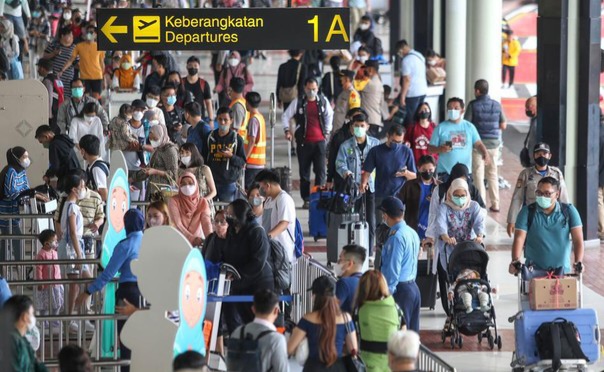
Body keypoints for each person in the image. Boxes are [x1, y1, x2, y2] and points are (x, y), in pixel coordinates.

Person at [76, 209, 146, 371]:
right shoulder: (149, 242)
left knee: (127, 340)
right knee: (143, 337)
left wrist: (88, 292)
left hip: (128, 293)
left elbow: (108, 274)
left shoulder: (125, 245)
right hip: (146, 293)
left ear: (126, 224)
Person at [509, 177, 584, 275]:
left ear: (557, 194)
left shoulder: (569, 211)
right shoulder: (527, 212)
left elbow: (578, 240)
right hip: (533, 273)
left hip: (562, 272)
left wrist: (578, 262)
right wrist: (515, 261)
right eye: (539, 193)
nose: (542, 196)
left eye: (547, 194)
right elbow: (519, 238)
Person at [433, 178, 485, 316]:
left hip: (470, 248)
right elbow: (440, 224)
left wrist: (479, 236)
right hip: (451, 249)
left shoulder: (473, 206)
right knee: (452, 276)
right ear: (450, 194)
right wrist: (445, 237)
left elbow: (479, 221)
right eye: (456, 195)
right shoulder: (444, 207)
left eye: (463, 195)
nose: (460, 199)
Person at [222, 199, 274, 332]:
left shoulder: (256, 232)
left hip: (258, 283)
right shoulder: (232, 231)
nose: (227, 217)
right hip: (240, 283)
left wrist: (238, 275)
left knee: (259, 322)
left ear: (240, 215)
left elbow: (258, 262)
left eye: (230, 214)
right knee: (244, 320)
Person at [287, 276, 358, 371]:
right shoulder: (346, 318)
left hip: (313, 368)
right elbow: (353, 349)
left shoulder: (307, 319)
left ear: (315, 296)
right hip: (338, 367)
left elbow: (289, 349)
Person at [283, 77, 333, 208]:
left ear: (317, 89)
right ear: (305, 88)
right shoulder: (298, 102)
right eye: (309, 89)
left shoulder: (322, 101)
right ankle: (306, 199)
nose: (311, 91)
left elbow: (329, 116)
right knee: (304, 173)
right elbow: (285, 116)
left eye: (314, 89)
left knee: (321, 172)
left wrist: (327, 132)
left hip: (320, 143)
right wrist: (287, 130)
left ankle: (318, 197)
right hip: (304, 143)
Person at [506, 143, 569, 237]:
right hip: (533, 215)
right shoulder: (526, 174)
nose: (541, 156)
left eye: (544, 154)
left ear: (549, 156)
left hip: (552, 216)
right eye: (538, 154)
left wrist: (567, 217)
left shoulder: (556, 173)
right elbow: (517, 197)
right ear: (533, 156)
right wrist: (512, 220)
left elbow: (563, 196)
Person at [336, 115, 379, 250]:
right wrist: (346, 173)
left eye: (362, 125)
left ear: (367, 127)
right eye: (356, 126)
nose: (359, 128)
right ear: (351, 128)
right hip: (353, 189)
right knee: (354, 219)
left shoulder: (375, 144)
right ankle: (355, 248)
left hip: (370, 187)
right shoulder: (345, 146)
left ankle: (369, 250)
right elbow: (339, 163)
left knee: (371, 220)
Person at [378, 197, 420, 332]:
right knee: (412, 336)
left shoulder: (396, 237)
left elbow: (392, 268)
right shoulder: (412, 232)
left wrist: (386, 292)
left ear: (385, 215)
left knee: (400, 335)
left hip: (400, 291)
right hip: (413, 287)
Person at [464, 79, 507, 212]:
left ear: (477, 91)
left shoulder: (473, 105)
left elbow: (467, 125)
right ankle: (496, 204)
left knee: (478, 175)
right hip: (494, 145)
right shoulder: (496, 105)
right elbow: (503, 125)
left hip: (478, 146)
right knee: (492, 174)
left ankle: (481, 204)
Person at [362, 124, 417, 227]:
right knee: (380, 226)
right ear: (388, 136)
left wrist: (405, 173)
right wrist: (364, 183)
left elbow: (414, 175)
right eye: (394, 141)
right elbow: (367, 171)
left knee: (398, 226)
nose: (396, 144)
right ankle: (380, 243)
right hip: (381, 194)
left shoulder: (407, 151)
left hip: (399, 195)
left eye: (399, 142)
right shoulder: (376, 151)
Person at [0, 147, 48, 262]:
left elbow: (26, 189)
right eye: (24, 157)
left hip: (15, 213)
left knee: (8, 240)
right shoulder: (10, 171)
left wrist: (36, 194)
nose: (27, 159)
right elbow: (10, 193)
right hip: (6, 213)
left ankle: (9, 268)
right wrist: (33, 195)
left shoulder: (22, 171)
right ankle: (18, 266)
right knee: (16, 239)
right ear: (16, 158)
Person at [427, 97, 491, 182]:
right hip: (445, 173)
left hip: (465, 172)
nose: (453, 110)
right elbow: (430, 149)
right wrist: (440, 149)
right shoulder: (440, 128)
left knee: (463, 195)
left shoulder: (469, 127)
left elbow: (478, 144)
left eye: (456, 108)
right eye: (450, 108)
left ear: (462, 111)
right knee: (445, 195)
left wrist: (484, 152)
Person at [354, 270, 405, 371]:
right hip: (393, 365)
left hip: (368, 366)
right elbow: (403, 334)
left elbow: (355, 338)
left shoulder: (360, 311)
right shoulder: (395, 308)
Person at [60, 171, 93, 326]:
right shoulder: (72, 207)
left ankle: (77, 315)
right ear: (74, 189)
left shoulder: (67, 205)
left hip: (73, 247)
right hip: (73, 249)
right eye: (82, 186)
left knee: (82, 282)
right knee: (78, 284)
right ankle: (71, 317)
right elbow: (73, 233)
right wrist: (79, 256)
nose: (84, 189)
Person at [230, 290, 289, 372]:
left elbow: (230, 364)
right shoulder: (276, 340)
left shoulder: (237, 332)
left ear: (253, 309)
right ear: (276, 311)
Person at [203, 107, 246, 202]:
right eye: (220, 119)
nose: (222, 122)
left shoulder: (236, 139)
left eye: (225, 120)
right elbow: (204, 158)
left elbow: (242, 162)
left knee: (228, 211)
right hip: (211, 181)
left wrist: (231, 156)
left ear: (231, 120)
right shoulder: (210, 137)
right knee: (209, 209)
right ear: (216, 120)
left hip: (228, 183)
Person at [255, 169, 296, 263]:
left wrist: (266, 238)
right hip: (270, 251)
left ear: (268, 185)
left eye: (261, 187)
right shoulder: (269, 201)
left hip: (282, 253)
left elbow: (284, 224)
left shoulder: (284, 199)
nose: (261, 190)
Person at [1, 295, 48, 372]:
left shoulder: (22, 339)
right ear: (24, 316)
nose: (33, 318)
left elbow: (36, 364)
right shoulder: (11, 341)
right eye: (32, 313)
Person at [398, 155, 438, 241]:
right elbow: (398, 203)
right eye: (424, 170)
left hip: (433, 231)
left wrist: (435, 203)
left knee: (431, 254)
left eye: (430, 170)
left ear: (434, 168)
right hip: (412, 229)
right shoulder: (409, 185)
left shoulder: (440, 187)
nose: (428, 172)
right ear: (419, 168)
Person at [60, 24, 104, 100]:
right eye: (88, 32)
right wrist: (62, 70)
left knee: (96, 98)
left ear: (96, 34)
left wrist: (103, 79)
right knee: (84, 98)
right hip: (84, 77)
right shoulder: (79, 46)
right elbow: (71, 60)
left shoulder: (99, 46)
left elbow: (102, 63)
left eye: (91, 32)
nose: (89, 34)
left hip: (97, 76)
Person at [168, 173, 212, 246]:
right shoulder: (173, 201)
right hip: (178, 240)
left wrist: (210, 240)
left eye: (190, 183)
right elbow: (177, 224)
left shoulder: (202, 202)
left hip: (198, 241)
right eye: (183, 184)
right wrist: (192, 239)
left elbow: (206, 223)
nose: (187, 186)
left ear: (196, 185)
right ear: (179, 185)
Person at [326, 107, 364, 191]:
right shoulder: (339, 137)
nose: (359, 120)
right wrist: (329, 178)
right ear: (350, 119)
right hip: (342, 179)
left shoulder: (368, 138)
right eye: (356, 117)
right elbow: (332, 158)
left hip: (361, 181)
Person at [140, 125, 179, 201]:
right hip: (153, 189)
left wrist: (156, 171)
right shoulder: (157, 149)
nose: (152, 141)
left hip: (164, 191)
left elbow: (173, 175)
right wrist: (132, 177)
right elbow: (151, 167)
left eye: (155, 139)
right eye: (150, 139)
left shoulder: (169, 150)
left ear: (162, 136)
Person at [34, 229, 64, 329]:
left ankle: (54, 319)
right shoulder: (41, 254)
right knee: (45, 304)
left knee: (58, 302)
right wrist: (40, 282)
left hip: (57, 283)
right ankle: (44, 320)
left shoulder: (54, 252)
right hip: (46, 284)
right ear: (46, 243)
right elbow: (38, 269)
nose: (56, 243)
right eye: (54, 241)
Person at [396, 39, 428, 128]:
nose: (400, 54)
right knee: (420, 118)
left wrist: (402, 96)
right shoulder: (419, 55)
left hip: (412, 93)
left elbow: (406, 80)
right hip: (422, 91)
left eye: (399, 52)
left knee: (410, 119)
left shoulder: (406, 60)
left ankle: (410, 137)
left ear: (401, 49)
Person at [43, 26, 76, 97]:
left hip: (68, 79)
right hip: (55, 77)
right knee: (55, 97)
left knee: (66, 97)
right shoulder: (54, 45)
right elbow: (44, 56)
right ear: (62, 36)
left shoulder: (74, 48)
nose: (72, 37)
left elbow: (76, 62)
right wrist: (53, 54)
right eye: (69, 35)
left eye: (72, 35)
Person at [243, 91, 266, 189]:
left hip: (252, 163)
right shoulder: (260, 117)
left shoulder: (253, 120)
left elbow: (252, 141)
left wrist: (244, 159)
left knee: (250, 191)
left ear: (247, 103)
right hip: (259, 163)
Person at [334, 244, 365, 314]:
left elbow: (330, 311)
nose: (337, 262)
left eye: (340, 259)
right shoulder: (366, 281)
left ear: (349, 264)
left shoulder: (344, 283)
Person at [183, 56, 214, 122]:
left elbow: (208, 103)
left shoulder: (204, 84)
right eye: (190, 65)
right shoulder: (181, 83)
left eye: (195, 65)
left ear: (199, 67)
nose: (192, 67)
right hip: (184, 119)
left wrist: (211, 120)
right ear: (186, 67)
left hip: (199, 119)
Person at [36, 58, 63, 130]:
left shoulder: (47, 80)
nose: (38, 70)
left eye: (38, 67)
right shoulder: (57, 78)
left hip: (52, 113)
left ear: (42, 68)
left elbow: (49, 98)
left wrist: (48, 114)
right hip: (59, 110)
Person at [80, 135, 108, 202]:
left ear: (82, 151)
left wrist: (85, 193)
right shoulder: (93, 166)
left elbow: (104, 195)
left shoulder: (97, 168)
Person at [360, 60, 384, 138]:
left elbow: (352, 85)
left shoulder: (370, 84)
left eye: (365, 69)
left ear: (370, 70)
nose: (363, 71)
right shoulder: (378, 82)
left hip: (369, 120)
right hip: (374, 119)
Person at [522, 96, 538, 166]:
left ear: (535, 107)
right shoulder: (533, 119)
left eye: (529, 107)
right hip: (532, 158)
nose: (527, 110)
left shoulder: (538, 122)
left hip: (536, 159)